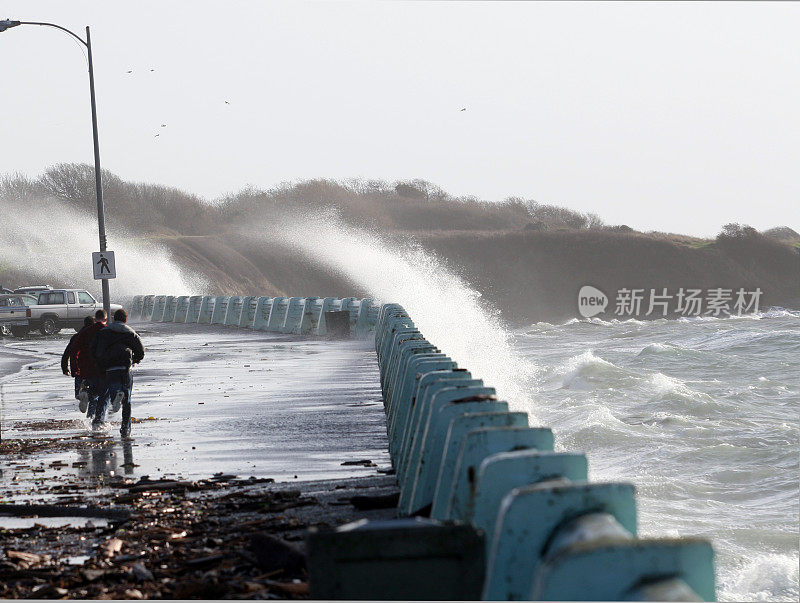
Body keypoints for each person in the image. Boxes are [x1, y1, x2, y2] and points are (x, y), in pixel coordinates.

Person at [91, 309, 145, 437]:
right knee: (127, 399)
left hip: (110, 366)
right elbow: (141, 351)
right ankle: (125, 428)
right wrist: (134, 360)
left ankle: (116, 395)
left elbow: (93, 349)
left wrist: (100, 363)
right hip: (125, 366)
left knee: (113, 388)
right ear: (125, 319)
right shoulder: (130, 332)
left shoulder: (103, 332)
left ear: (114, 319)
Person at [71, 309, 109, 418]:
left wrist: (75, 369)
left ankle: (89, 411)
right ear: (105, 319)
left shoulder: (85, 331)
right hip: (102, 369)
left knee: (93, 394)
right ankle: (97, 420)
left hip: (86, 368)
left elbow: (74, 349)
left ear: (95, 318)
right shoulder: (107, 330)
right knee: (103, 395)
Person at [61, 316, 94, 402]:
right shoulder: (95, 335)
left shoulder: (76, 336)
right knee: (94, 392)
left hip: (79, 367)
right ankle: (89, 404)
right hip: (92, 367)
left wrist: (65, 367)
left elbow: (67, 352)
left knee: (79, 391)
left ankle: (81, 395)